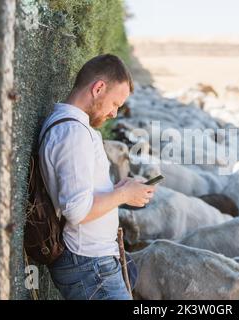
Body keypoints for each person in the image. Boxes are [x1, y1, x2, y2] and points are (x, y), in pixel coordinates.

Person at [38, 54, 155, 300]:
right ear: (98, 88)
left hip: (94, 262)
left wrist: (120, 188)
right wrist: (123, 194)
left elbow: (82, 192)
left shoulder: (75, 128)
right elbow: (77, 211)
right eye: (114, 103)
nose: (114, 113)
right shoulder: (72, 133)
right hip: (89, 265)